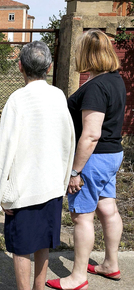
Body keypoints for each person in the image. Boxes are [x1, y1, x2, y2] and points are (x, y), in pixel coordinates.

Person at [0, 40, 75, 290]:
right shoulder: (58, 95)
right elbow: (69, 139)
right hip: (51, 185)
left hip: (23, 188)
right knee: (42, 243)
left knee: (21, 248)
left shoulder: (17, 100)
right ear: (49, 66)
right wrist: (64, 177)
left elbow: (4, 148)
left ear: (20, 67)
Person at [46, 29, 126, 290]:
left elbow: (91, 135)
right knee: (107, 208)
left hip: (93, 158)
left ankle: (78, 276)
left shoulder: (96, 87)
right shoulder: (115, 80)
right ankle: (110, 264)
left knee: (82, 216)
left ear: (87, 54)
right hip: (112, 154)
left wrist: (74, 171)